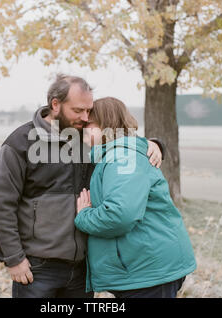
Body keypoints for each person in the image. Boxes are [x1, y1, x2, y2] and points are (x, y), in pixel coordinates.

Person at [0, 75, 165, 298]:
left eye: (88, 110)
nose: (85, 117)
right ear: (55, 104)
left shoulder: (88, 135)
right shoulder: (21, 142)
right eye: (78, 110)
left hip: (82, 268)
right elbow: (0, 204)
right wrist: (13, 258)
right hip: (37, 267)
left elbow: (126, 141)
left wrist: (154, 144)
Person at [75, 97, 197, 298]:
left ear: (106, 124)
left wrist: (84, 216)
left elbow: (120, 215)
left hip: (150, 271)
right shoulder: (114, 155)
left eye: (88, 124)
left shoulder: (122, 158)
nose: (82, 130)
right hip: (144, 267)